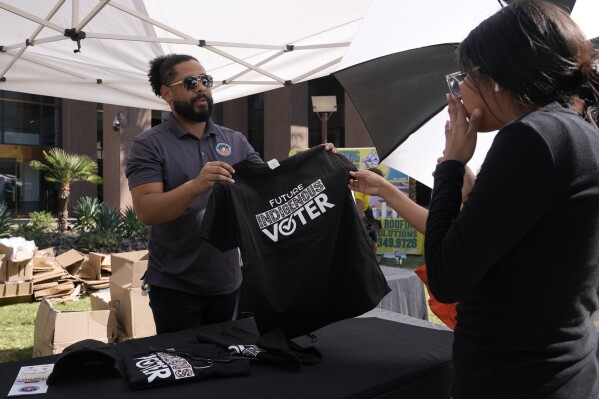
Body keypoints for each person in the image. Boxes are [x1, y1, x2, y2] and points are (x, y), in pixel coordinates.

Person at [361, 2, 599, 398]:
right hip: (564, 369)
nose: (456, 92)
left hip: (512, 377)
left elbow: (445, 277)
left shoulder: (530, 138)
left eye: (463, 77)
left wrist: (451, 167)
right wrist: (475, 195)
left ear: (499, 78)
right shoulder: (579, 132)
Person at [126, 54, 337, 334]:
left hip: (228, 282)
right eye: (190, 82)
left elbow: (270, 184)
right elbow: (146, 211)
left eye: (206, 80)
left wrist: (314, 163)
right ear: (167, 94)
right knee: (187, 369)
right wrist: (196, 185)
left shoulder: (234, 140)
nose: (201, 87)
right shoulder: (148, 145)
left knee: (229, 366)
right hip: (175, 287)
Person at [353, 167, 384, 252]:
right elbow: (358, 202)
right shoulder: (360, 185)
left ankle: (373, 258)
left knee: (374, 239)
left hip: (367, 212)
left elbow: (364, 200)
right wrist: (363, 221)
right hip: (361, 215)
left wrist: (370, 210)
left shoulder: (367, 186)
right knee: (369, 240)